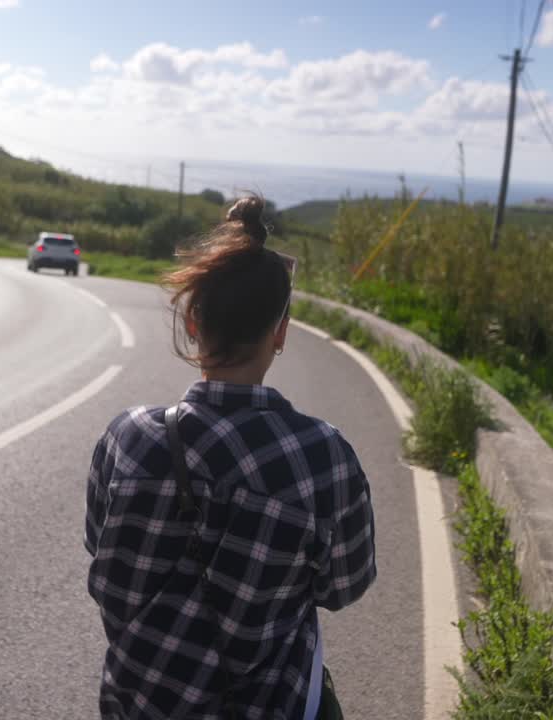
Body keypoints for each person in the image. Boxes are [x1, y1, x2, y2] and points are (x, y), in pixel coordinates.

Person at [85, 196, 376, 719]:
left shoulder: (124, 439)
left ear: (194, 321)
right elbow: (344, 586)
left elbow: (99, 548)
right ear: (280, 333)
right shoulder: (324, 457)